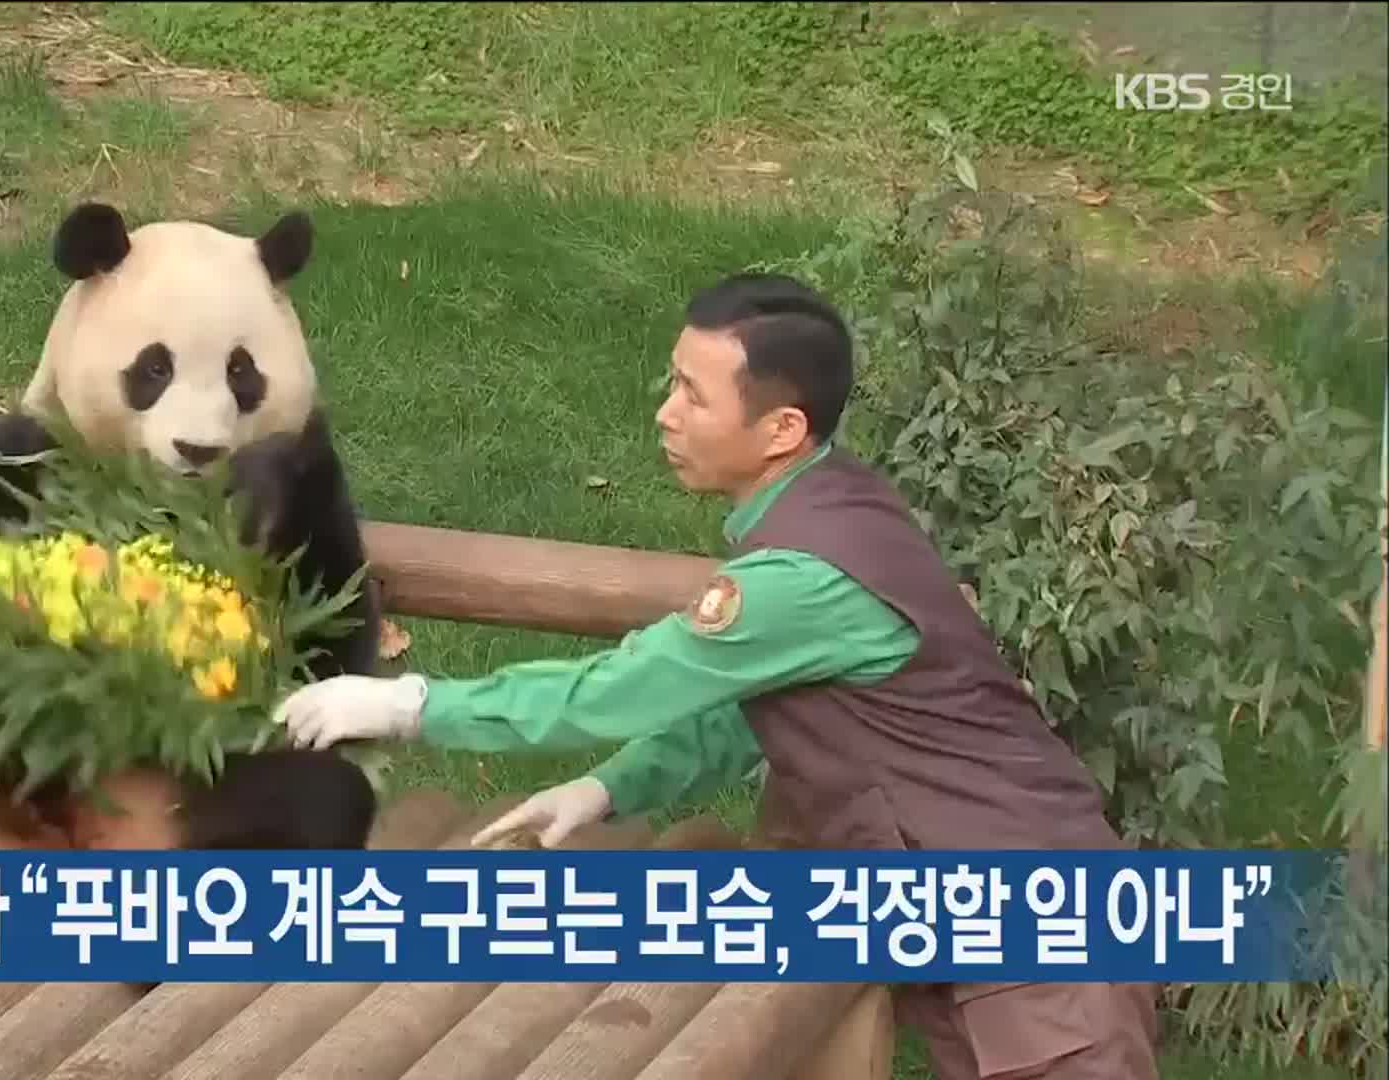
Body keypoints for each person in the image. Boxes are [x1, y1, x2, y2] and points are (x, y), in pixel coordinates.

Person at [271, 271, 1161, 1080]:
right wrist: (609, 786)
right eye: (673, 381)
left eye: (693, 395)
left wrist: (408, 703)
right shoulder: (830, 505)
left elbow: (614, 689)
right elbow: (760, 706)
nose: (665, 411)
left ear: (781, 429)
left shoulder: (800, 578)